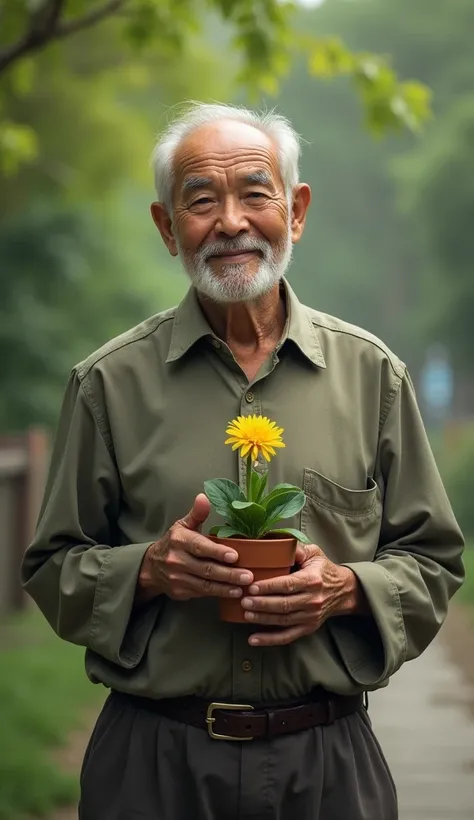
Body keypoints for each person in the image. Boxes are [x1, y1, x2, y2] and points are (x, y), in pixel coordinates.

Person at [21, 102, 464, 820]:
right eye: (201, 200)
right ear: (169, 228)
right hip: (153, 765)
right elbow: (50, 567)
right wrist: (150, 570)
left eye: (255, 193)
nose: (230, 221)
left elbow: (435, 560)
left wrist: (347, 588)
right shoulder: (108, 384)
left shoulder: (372, 375)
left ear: (296, 212)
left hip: (328, 765)